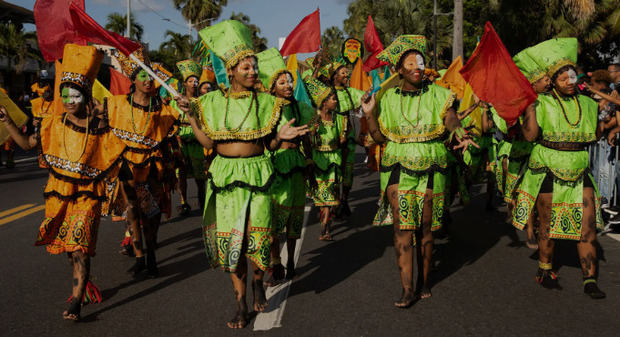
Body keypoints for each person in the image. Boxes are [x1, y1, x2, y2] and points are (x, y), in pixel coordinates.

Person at [175, 20, 309, 329]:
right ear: (231, 71)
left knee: (258, 239)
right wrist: (192, 117)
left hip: (258, 172)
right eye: (245, 67)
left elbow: (270, 142)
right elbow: (208, 142)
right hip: (224, 176)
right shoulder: (211, 102)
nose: (251, 71)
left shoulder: (267, 102)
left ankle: (258, 283)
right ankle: (240, 304)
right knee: (234, 244)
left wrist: (281, 136)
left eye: (254, 66)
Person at [0, 44, 126, 320]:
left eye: (75, 94)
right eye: (65, 94)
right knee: (69, 249)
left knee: (80, 246)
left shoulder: (99, 128)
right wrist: (8, 121)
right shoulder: (51, 124)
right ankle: (83, 283)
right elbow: (26, 143)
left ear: (85, 96)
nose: (69, 99)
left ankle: (76, 302)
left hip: (87, 197)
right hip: (58, 195)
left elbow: (114, 157)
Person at [362, 35, 476, 307]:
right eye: (410, 63)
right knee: (403, 229)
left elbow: (449, 117)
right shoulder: (387, 98)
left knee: (425, 230)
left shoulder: (439, 93)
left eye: (421, 62)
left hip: (432, 166)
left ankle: (424, 280)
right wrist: (369, 114)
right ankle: (407, 288)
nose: (417, 67)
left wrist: (457, 130)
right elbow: (379, 138)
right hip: (398, 166)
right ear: (399, 69)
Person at [514, 38, 606, 299]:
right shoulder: (541, 102)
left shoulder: (589, 104)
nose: (569, 79)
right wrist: (529, 107)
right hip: (548, 168)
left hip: (579, 169)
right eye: (563, 76)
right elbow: (531, 136)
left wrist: (599, 119)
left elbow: (595, 135)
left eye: (572, 74)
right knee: (547, 225)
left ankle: (590, 279)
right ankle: (545, 268)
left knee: (588, 228)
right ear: (552, 80)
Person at [107, 47, 180, 278]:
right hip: (127, 167)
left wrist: (171, 166)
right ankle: (140, 258)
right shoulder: (117, 104)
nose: (148, 80)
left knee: (152, 216)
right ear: (133, 79)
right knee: (132, 212)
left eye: (151, 76)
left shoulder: (162, 108)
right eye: (143, 76)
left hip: (154, 169)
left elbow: (170, 139)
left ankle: (151, 255)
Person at [256, 48, 315, 284]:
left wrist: (309, 162)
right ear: (272, 87)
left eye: (290, 80)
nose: (289, 85)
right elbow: (264, 142)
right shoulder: (265, 109)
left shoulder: (300, 107)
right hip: (275, 167)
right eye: (282, 82)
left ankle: (290, 262)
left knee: (294, 220)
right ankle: (275, 263)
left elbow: (306, 138)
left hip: (296, 166)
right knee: (273, 221)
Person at [306, 78, 344, 241]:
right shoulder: (314, 118)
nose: (336, 101)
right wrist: (312, 134)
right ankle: (325, 223)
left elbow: (342, 139)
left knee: (329, 198)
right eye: (333, 99)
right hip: (318, 161)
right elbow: (307, 141)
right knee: (322, 198)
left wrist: (341, 139)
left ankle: (324, 229)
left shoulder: (340, 118)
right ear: (323, 102)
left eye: (336, 98)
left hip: (334, 161)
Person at [170, 59, 207, 215]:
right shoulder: (175, 101)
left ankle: (203, 200)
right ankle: (184, 203)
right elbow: (171, 121)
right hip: (181, 143)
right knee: (182, 175)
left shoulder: (202, 102)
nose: (193, 83)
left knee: (200, 175)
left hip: (197, 142)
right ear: (184, 84)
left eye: (196, 81)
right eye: (190, 80)